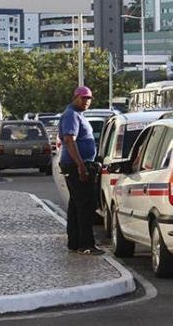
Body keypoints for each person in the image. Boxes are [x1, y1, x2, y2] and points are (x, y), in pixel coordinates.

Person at [59, 86, 103, 255]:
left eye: (89, 98)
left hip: (79, 164)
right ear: (75, 97)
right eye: (83, 98)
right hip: (75, 165)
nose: (86, 101)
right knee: (85, 205)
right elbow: (70, 140)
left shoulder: (78, 115)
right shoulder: (71, 115)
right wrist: (81, 166)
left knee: (76, 204)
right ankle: (86, 244)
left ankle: (75, 242)